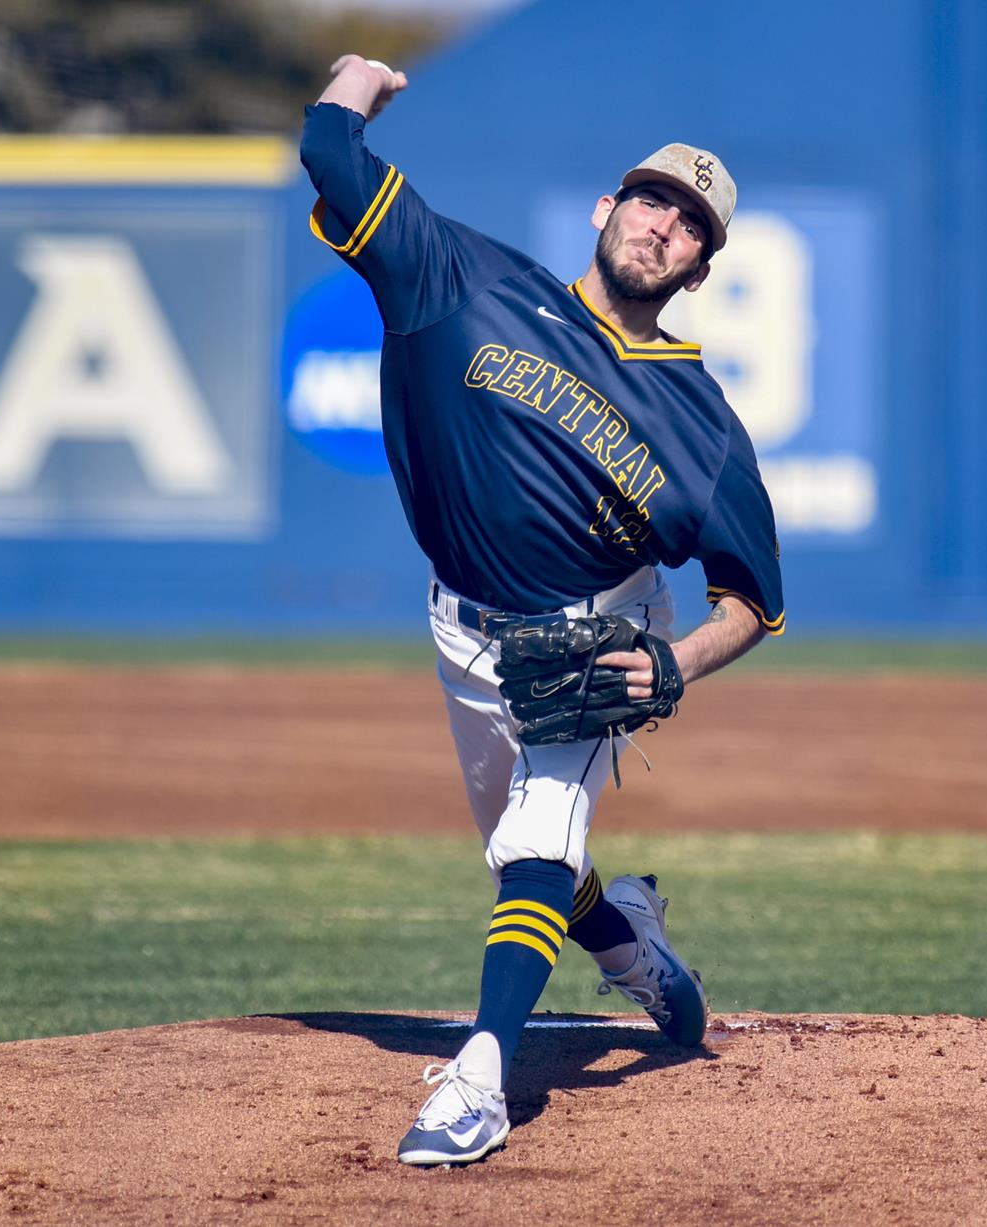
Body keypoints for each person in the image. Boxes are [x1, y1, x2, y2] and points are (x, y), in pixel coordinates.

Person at [300, 54, 785, 1167]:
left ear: (701, 268)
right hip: (459, 631)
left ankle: (480, 1082)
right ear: (608, 208)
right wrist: (356, 81)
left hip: (593, 640)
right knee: (534, 870)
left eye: (690, 225)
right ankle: (631, 945)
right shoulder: (458, 279)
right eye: (652, 199)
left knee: (534, 837)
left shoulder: (704, 429)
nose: (663, 225)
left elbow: (752, 598)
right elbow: (330, 154)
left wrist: (673, 666)